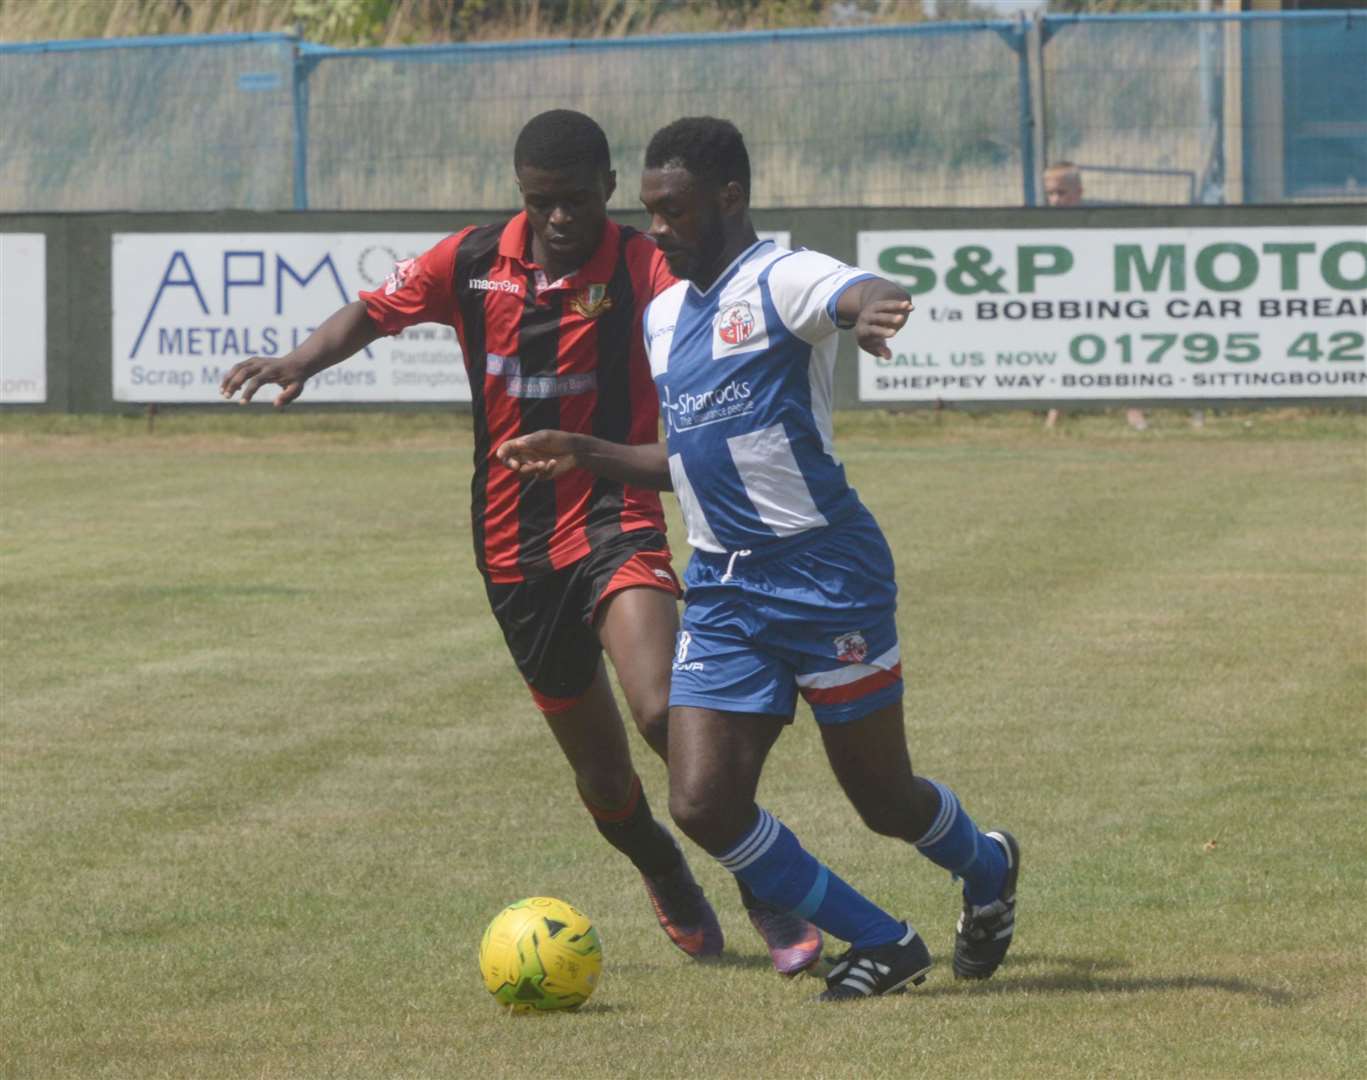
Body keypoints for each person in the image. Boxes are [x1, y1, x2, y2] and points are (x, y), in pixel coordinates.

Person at [217, 109, 822, 975]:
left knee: (664, 712)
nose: (560, 219)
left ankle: (763, 882)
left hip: (615, 520)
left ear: (609, 191)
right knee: (605, 785)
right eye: (542, 203)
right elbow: (370, 312)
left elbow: (738, 301)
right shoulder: (469, 261)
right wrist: (300, 361)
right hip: (511, 551)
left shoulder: (648, 263)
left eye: (576, 201)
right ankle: (660, 865)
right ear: (521, 195)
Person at [498, 117, 1020, 1001]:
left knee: (883, 799)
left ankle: (988, 865)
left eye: (673, 211)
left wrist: (872, 310)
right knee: (700, 802)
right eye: (649, 212)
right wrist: (585, 451)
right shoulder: (665, 316)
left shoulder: (783, 276)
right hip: (726, 587)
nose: (655, 230)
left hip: (826, 576)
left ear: (729, 199)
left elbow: (856, 288)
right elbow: (690, 459)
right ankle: (883, 940)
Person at [1042, 162, 1148, 431]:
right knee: (1066, 352)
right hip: (1068, 303)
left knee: (1121, 349)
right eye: (1051, 194)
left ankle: (1134, 412)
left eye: (1062, 193)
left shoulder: (1098, 222)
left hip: (1102, 300)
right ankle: (1055, 416)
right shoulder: (1044, 227)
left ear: (1079, 191)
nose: (1055, 200)